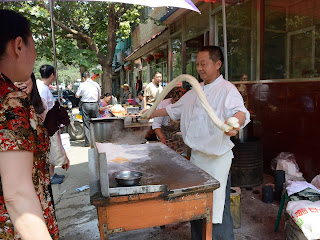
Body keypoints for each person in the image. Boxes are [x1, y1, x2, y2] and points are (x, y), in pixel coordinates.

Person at [149, 46, 250, 240]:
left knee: (216, 210)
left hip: (216, 161)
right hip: (196, 159)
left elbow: (240, 112)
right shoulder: (196, 90)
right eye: (197, 65)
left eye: (204, 64)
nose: (199, 69)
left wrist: (234, 124)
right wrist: (149, 113)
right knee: (195, 207)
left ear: (217, 64)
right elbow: (174, 109)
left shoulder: (226, 89)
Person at [0, 9, 59, 239]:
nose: (34, 56)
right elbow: (17, 194)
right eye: (33, 46)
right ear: (18, 46)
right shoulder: (10, 101)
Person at [37, 64, 69, 184]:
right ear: (52, 75)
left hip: (50, 123)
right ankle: (49, 176)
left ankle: (51, 174)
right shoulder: (42, 89)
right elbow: (42, 109)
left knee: (52, 149)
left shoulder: (42, 86)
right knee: (51, 149)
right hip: (47, 124)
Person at [152, 87, 187, 155]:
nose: (177, 104)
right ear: (172, 97)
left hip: (181, 140)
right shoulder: (163, 105)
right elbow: (156, 124)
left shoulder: (187, 104)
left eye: (179, 102)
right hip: (165, 138)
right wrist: (162, 138)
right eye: (175, 100)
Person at [76, 71, 101, 147]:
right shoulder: (96, 84)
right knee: (96, 123)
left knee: (86, 124)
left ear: (83, 78)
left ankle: (88, 142)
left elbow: (77, 95)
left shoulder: (82, 85)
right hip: (95, 104)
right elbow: (99, 96)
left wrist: (81, 95)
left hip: (86, 105)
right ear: (90, 77)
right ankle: (97, 140)